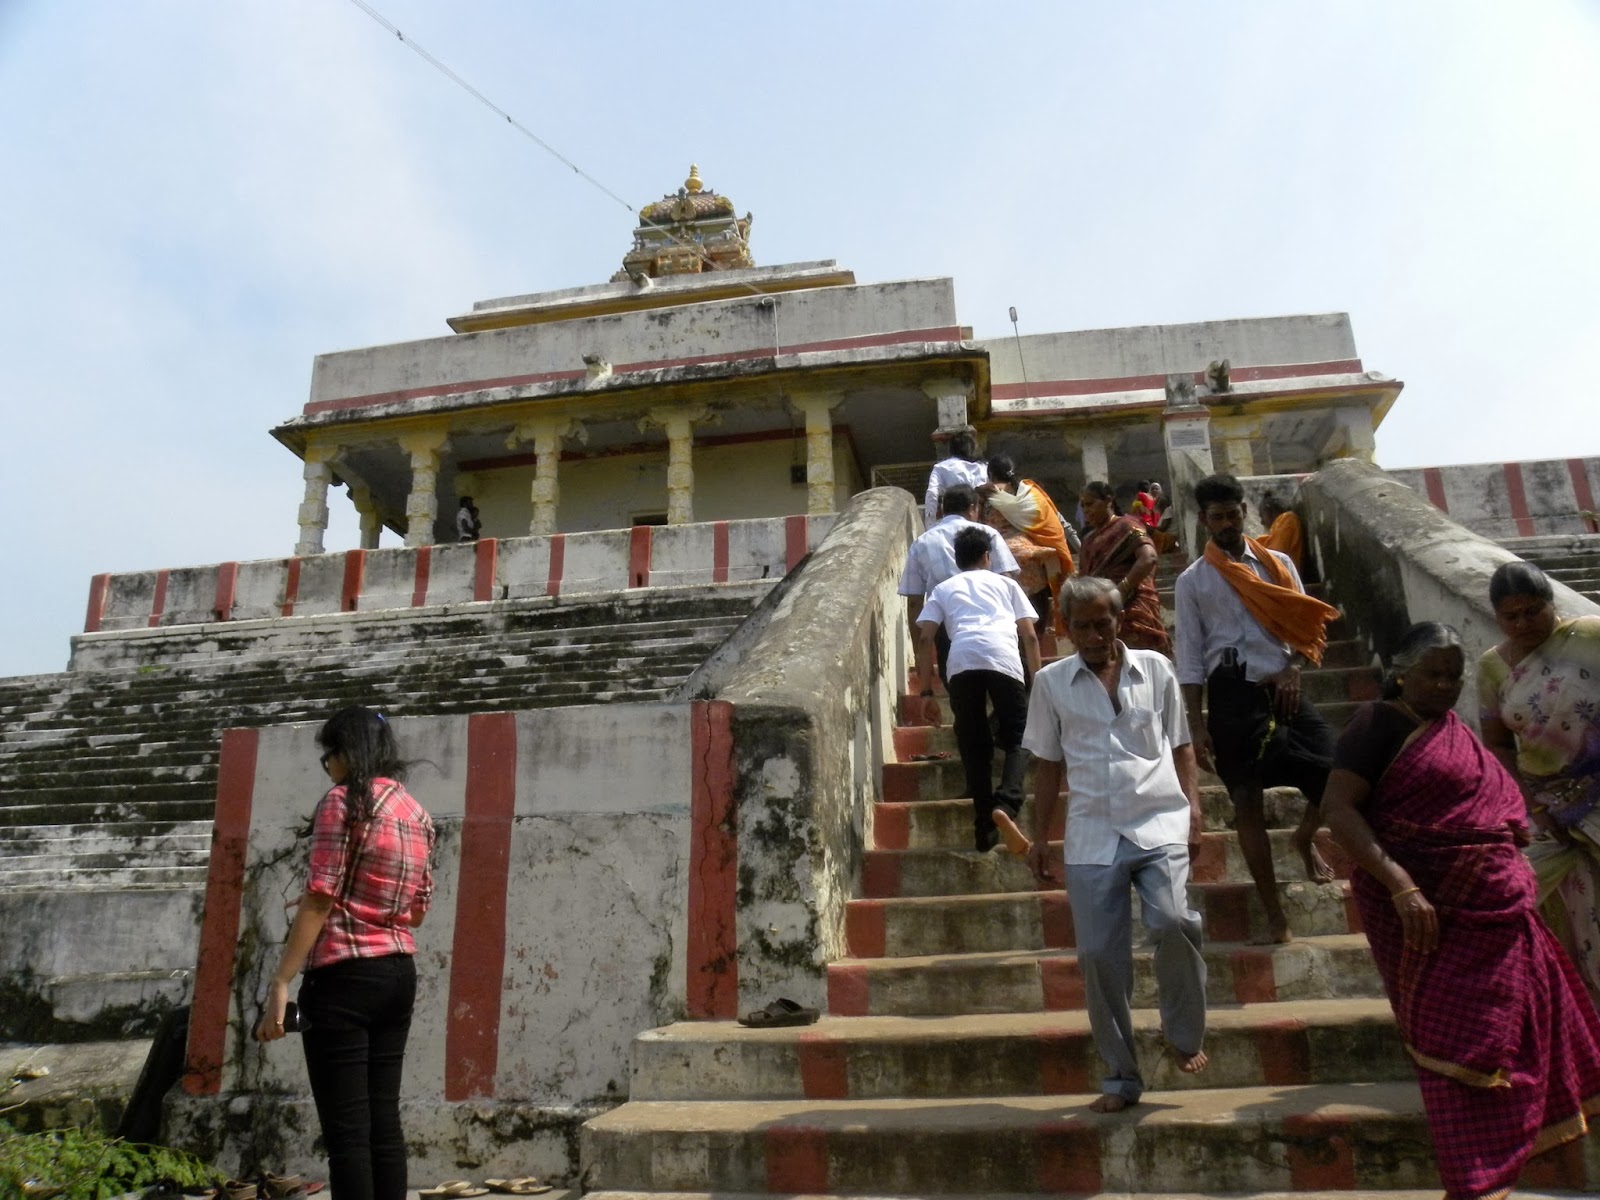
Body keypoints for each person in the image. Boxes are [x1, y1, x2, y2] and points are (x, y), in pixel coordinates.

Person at [1322, 622, 1600, 1200]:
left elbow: (1494, 801)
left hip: (1497, 905)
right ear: (1402, 672)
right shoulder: (1376, 725)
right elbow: (1339, 811)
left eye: (1455, 674)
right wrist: (1401, 885)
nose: (1447, 684)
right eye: (1435, 673)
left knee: (1529, 1029)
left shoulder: (1453, 730)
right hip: (1425, 914)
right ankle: (1475, 1180)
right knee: (1454, 1042)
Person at [1023, 575, 1207, 1111]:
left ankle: (1185, 1033)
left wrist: (1195, 808)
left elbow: (1183, 746)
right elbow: (1047, 766)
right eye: (1081, 625)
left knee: (1173, 922)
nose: (1094, 634)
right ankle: (1122, 1076)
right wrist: (1040, 836)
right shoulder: (1051, 683)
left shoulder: (1156, 669)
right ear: (1066, 629)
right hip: (1090, 833)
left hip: (1159, 821)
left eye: (1102, 622)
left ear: (1118, 620)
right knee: (1098, 956)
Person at [255, 706, 435, 1200]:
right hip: (398, 971)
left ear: (348, 752)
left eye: (329, 753)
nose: (328, 765)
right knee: (384, 1122)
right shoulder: (417, 813)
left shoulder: (341, 803)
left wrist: (280, 982)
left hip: (343, 977)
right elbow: (416, 912)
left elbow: (320, 896)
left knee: (349, 1135)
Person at [1175, 473, 1340, 944]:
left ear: (1244, 512)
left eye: (1233, 514)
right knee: (1246, 803)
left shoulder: (1279, 563)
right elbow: (1189, 655)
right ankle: (1274, 917)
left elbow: (1305, 627)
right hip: (1230, 693)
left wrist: (1293, 668)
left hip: (1282, 685)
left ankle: (1305, 838)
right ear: (1204, 520)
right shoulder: (1193, 581)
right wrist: (1196, 723)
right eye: (1218, 517)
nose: (1227, 523)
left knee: (1333, 772)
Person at [1478, 560, 1600, 1009]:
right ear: (1497, 618)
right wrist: (1532, 805)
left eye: (1534, 611)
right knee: (1561, 918)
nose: (1524, 623)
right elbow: (1498, 746)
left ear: (1553, 604)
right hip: (1546, 809)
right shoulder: (1492, 668)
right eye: (1512, 616)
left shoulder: (1589, 635)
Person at [914, 526, 1041, 853]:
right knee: (1020, 737)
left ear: (957, 560)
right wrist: (1039, 681)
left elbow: (926, 638)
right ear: (988, 556)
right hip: (1004, 659)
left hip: (962, 662)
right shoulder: (1008, 584)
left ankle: (984, 829)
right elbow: (1029, 635)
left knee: (974, 745)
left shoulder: (942, 589)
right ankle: (1008, 802)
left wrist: (927, 692)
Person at [899, 484, 1020, 685]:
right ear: (973, 508)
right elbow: (1007, 580)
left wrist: (921, 655)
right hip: (996, 627)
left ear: (943, 510)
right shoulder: (987, 533)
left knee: (963, 702)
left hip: (948, 628)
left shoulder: (922, 543)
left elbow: (914, 602)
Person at [980, 454, 1076, 633]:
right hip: (1032, 564)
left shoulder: (983, 495)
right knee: (1035, 625)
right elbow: (1054, 522)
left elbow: (978, 525)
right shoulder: (1029, 492)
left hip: (997, 562)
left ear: (990, 474)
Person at [1076, 480, 1170, 654]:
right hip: (1101, 613)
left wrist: (1121, 591)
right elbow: (1085, 579)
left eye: (1090, 504)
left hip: (1132, 607)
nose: (1086, 510)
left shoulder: (1126, 525)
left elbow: (1148, 557)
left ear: (1108, 500)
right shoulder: (1088, 540)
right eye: (1083, 506)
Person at [922, 430, 989, 526]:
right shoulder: (984, 467)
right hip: (981, 520)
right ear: (973, 448)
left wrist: (930, 523)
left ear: (951, 449)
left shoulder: (941, 467)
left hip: (951, 520)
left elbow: (932, 494)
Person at [1257, 493, 1305, 573]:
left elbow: (1275, 555)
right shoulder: (1279, 526)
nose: (1262, 522)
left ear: (1270, 511)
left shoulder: (1287, 519)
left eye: (1262, 516)